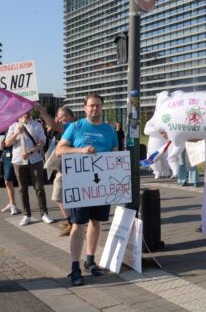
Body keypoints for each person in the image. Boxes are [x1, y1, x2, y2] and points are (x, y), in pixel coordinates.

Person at [56, 93, 118, 286]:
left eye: (98, 106)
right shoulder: (75, 127)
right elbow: (60, 150)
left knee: (97, 222)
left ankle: (90, 260)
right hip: (80, 183)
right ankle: (74, 266)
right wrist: (81, 150)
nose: (94, 109)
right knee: (78, 224)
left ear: (102, 108)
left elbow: (115, 155)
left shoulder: (110, 130)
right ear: (85, 108)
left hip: (101, 184)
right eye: (91, 106)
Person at [5, 111, 53, 226]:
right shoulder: (13, 126)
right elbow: (7, 143)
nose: (26, 113)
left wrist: (30, 152)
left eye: (28, 111)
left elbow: (42, 142)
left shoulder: (36, 125)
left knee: (39, 187)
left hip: (35, 159)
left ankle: (44, 213)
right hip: (18, 161)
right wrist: (16, 133)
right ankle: (26, 215)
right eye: (24, 111)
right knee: (23, 189)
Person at [36, 104, 76, 236]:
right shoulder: (69, 128)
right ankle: (71, 221)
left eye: (61, 117)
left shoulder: (71, 127)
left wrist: (42, 110)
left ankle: (72, 223)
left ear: (69, 116)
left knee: (57, 197)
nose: (59, 120)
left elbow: (53, 125)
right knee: (69, 198)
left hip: (67, 169)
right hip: (64, 167)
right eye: (58, 117)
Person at [0, 136, 20, 216]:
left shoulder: (17, 127)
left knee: (9, 180)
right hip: (6, 156)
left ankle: (13, 205)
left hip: (15, 155)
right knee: (7, 181)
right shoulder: (8, 128)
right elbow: (4, 144)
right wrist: (3, 143)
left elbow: (10, 142)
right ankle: (12, 203)